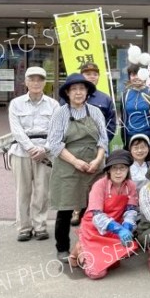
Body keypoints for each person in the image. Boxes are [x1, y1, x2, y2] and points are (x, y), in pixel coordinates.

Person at [46, 73, 108, 262]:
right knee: (65, 209)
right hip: (68, 166)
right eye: (74, 89)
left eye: (82, 89)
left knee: (91, 208)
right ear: (67, 92)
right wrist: (76, 162)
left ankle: (88, 244)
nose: (79, 93)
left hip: (93, 165)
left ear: (87, 92)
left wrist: (98, 161)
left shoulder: (95, 112)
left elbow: (103, 140)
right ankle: (62, 247)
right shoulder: (61, 113)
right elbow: (55, 144)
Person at [68, 149, 139, 279]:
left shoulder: (131, 186)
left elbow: (131, 209)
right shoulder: (99, 185)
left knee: (115, 263)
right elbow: (97, 215)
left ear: (128, 170)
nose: (118, 172)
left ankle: (87, 250)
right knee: (96, 273)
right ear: (108, 170)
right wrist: (118, 230)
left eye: (122, 168)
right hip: (94, 228)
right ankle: (80, 249)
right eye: (114, 168)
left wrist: (127, 227)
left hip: (114, 229)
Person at [8, 66, 59, 242]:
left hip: (45, 153)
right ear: (26, 82)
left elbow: (56, 131)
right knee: (23, 191)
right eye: (32, 79)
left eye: (40, 79)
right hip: (21, 153)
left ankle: (40, 226)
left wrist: (44, 149)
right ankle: (24, 227)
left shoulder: (53, 104)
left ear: (45, 82)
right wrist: (31, 148)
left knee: (42, 191)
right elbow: (16, 130)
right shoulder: (16, 103)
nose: (36, 83)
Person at [69, 61, 118, 227]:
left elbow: (112, 123)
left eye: (94, 73)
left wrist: (102, 145)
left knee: (98, 180)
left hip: (99, 148)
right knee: (76, 180)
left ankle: (95, 211)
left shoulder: (105, 98)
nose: (91, 76)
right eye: (88, 73)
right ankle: (76, 210)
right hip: (76, 147)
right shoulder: (69, 97)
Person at [120, 64, 150, 160]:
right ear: (129, 77)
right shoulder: (125, 95)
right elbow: (123, 117)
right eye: (133, 75)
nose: (136, 77)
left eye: (139, 74)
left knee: (149, 167)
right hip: (130, 137)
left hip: (149, 138)